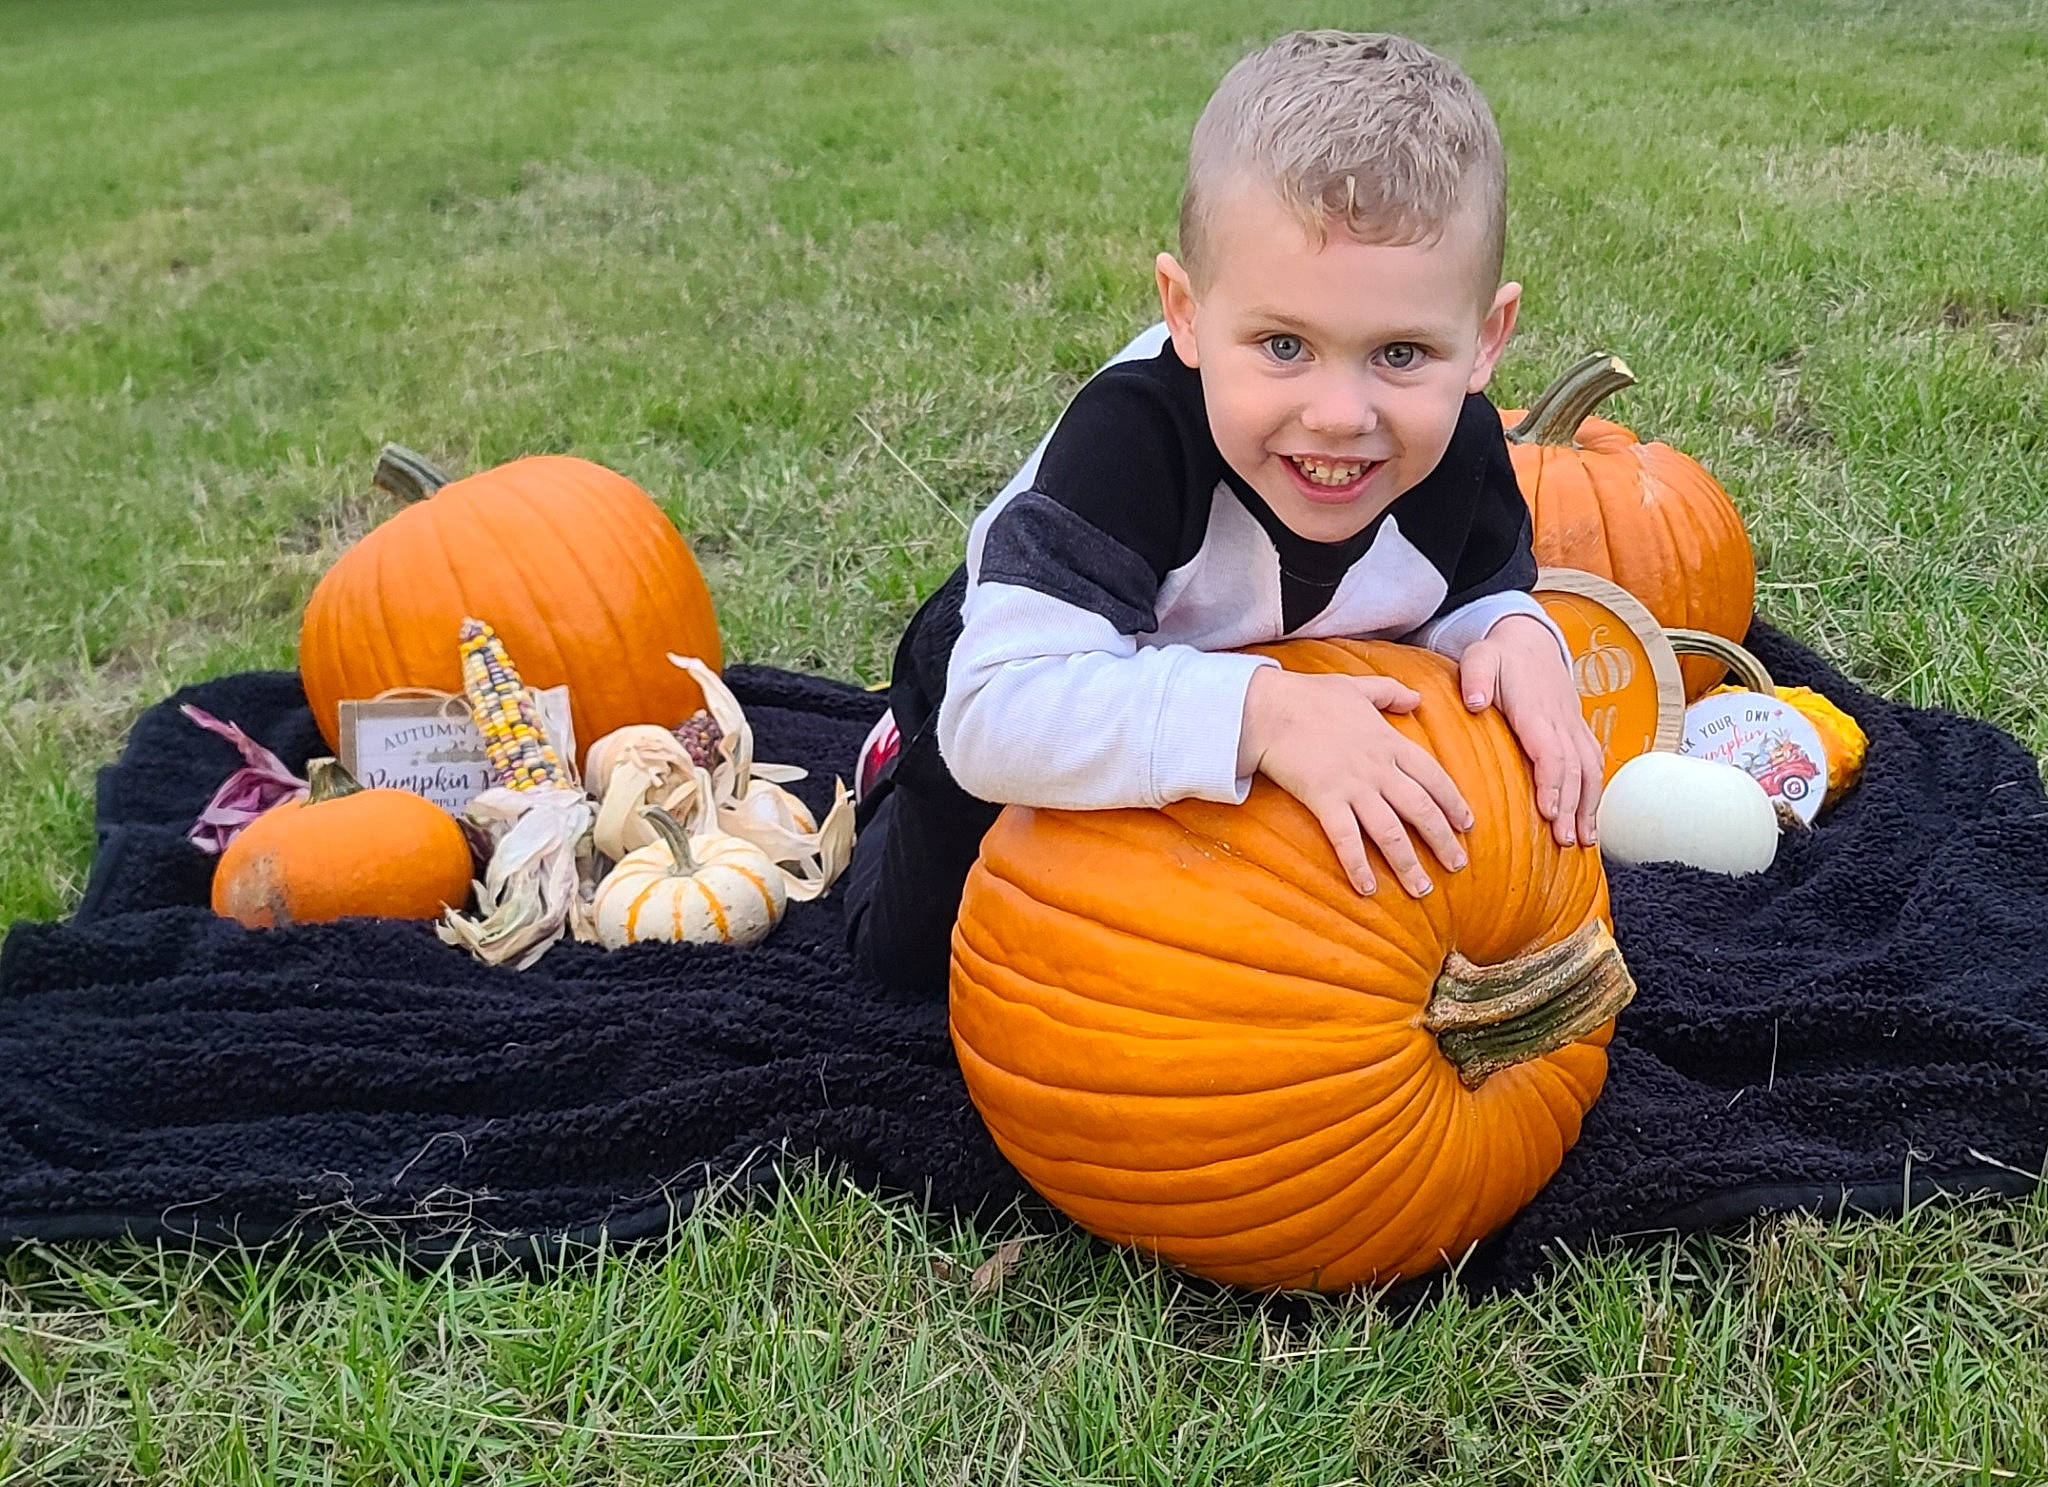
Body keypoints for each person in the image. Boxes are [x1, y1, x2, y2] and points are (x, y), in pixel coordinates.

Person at [842, 29, 1603, 998]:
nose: (1338, 414)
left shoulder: (1457, 445)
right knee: (906, 976)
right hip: (1031, 671)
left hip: (1232, 676)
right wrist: (1260, 710)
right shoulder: (1130, 447)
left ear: (1484, 339)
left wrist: (1515, 634)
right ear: (1186, 312)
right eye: (1283, 344)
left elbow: (1473, 587)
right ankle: (884, 766)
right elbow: (996, 716)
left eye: (1400, 353)